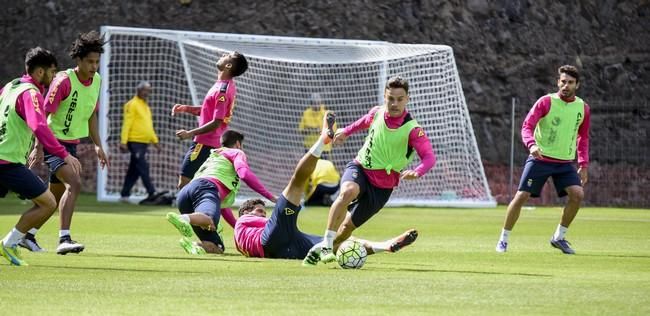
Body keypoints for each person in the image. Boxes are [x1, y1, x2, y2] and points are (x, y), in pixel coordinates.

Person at [233, 112, 418, 262]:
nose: (262, 214)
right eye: (259, 210)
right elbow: (270, 223)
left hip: (283, 250)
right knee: (296, 182)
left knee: (334, 243)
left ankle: (385, 246)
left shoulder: (243, 238)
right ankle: (322, 140)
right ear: (246, 212)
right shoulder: (242, 222)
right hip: (269, 240)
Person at [304, 76, 436, 265]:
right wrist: (345, 132)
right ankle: (325, 242)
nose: (394, 103)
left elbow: (429, 157)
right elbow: (362, 122)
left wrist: (419, 171)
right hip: (361, 168)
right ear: (384, 96)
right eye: (390, 98)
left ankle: (318, 250)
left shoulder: (413, 130)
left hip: (383, 187)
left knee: (345, 231)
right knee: (348, 192)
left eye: (400, 99)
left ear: (408, 98)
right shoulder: (377, 113)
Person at [27, 31, 110, 255]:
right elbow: (42, 115)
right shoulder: (63, 81)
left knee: (52, 197)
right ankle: (64, 238)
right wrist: (39, 146)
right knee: (74, 184)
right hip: (54, 142)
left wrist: (98, 145)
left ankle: (27, 235)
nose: (94, 66)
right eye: (90, 62)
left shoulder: (97, 81)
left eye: (97, 62)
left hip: (71, 145)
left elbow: (92, 114)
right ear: (79, 60)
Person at [496, 65, 590, 255]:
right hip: (540, 158)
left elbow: (583, 137)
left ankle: (559, 237)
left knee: (577, 195)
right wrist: (532, 145)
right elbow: (526, 127)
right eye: (563, 81)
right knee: (521, 196)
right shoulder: (545, 102)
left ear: (577, 85)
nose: (566, 86)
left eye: (570, 82)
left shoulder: (583, 108)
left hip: (564, 163)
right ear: (558, 82)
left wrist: (583, 164)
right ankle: (503, 239)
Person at [0, 47, 82, 265]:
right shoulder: (31, 93)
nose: (54, 77)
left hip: (6, 160)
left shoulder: (10, 87)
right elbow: (39, 126)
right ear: (39, 72)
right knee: (47, 202)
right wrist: (64, 154)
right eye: (52, 72)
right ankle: (8, 244)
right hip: (7, 163)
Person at [165, 130, 276, 254]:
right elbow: (244, 174)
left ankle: (195, 246)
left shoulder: (214, 156)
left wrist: (238, 228)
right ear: (238, 144)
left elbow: (221, 206)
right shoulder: (236, 152)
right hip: (207, 187)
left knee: (217, 246)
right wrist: (270, 196)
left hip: (185, 194)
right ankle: (183, 219)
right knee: (209, 219)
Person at [171, 51, 248, 190]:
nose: (223, 55)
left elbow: (216, 122)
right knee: (197, 185)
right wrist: (186, 108)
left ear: (228, 65)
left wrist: (190, 133)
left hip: (205, 143)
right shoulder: (223, 85)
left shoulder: (222, 90)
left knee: (184, 185)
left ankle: (198, 212)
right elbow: (209, 110)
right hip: (211, 143)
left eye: (227, 56)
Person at [119, 81, 161, 202]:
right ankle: (151, 192)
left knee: (135, 169)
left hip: (144, 143)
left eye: (148, 91)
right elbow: (127, 123)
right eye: (145, 90)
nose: (146, 93)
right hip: (134, 142)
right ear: (138, 90)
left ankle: (124, 195)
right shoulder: (131, 104)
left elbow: (149, 127)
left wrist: (155, 142)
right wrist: (123, 141)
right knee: (143, 166)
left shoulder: (146, 107)